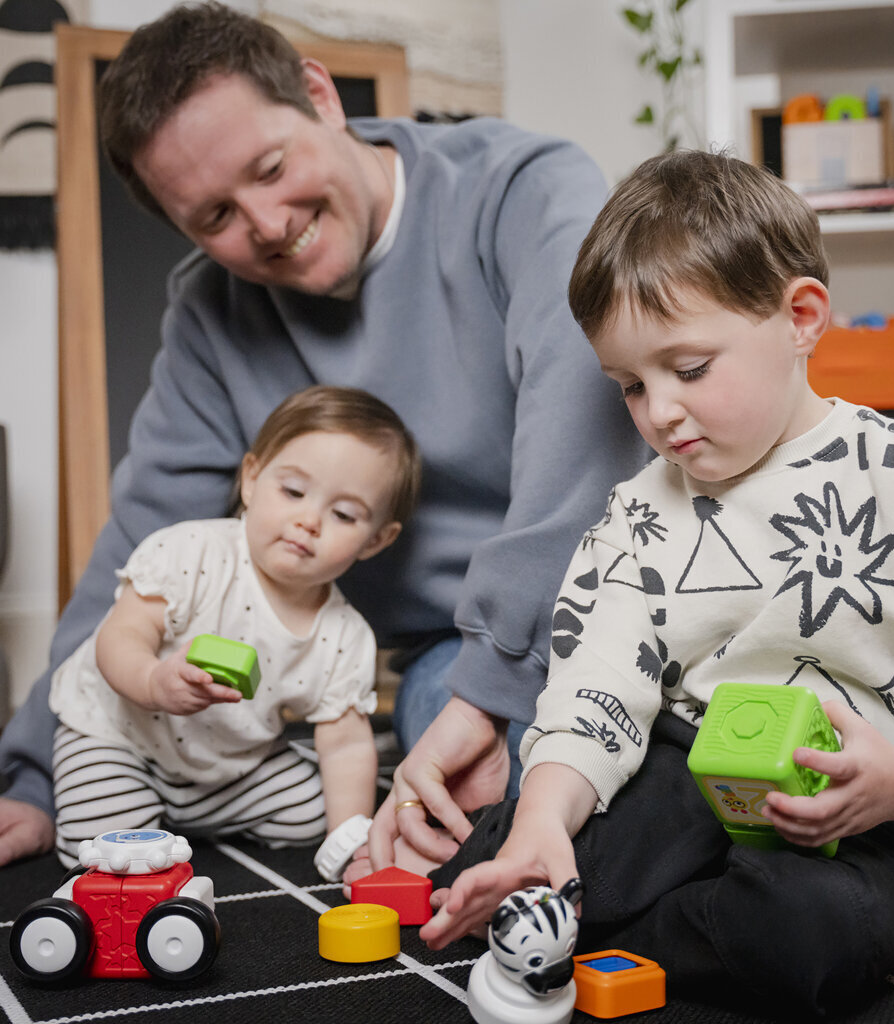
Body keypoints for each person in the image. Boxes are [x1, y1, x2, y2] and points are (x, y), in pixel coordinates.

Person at [0, 1, 646, 868]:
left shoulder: (521, 188)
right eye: (215, 218)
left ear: (319, 95)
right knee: (496, 820)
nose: (267, 223)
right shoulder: (210, 314)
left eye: (270, 166)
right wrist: (34, 774)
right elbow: (142, 541)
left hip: (623, 599)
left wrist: (501, 679)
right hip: (450, 661)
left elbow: (582, 438)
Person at [417, 150, 894, 1016]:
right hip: (681, 776)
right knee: (519, 848)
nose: (659, 411)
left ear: (801, 317)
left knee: (811, 935)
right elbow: (599, 681)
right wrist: (546, 816)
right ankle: (559, 887)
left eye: (689, 369)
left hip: (865, 820)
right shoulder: (639, 511)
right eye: (631, 385)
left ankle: (590, 926)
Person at [47, 385, 417, 873]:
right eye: (293, 491)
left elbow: (346, 744)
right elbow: (120, 639)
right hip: (119, 736)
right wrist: (154, 681)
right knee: (98, 848)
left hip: (228, 762)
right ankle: (147, 815)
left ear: (376, 540)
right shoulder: (190, 553)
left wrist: (350, 839)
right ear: (251, 479)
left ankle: (181, 817)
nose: (308, 520)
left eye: (343, 514)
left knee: (312, 812)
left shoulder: (345, 635)